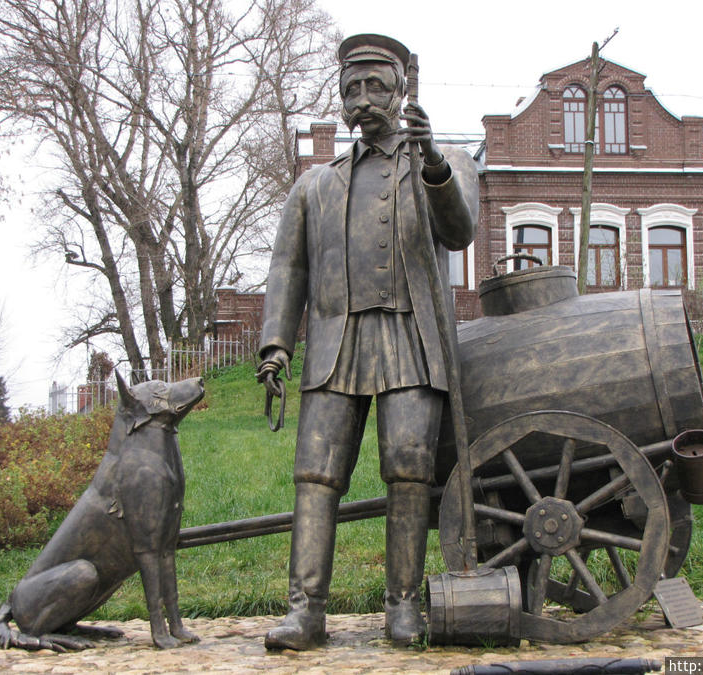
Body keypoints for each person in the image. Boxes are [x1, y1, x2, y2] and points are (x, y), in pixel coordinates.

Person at [257, 33, 478, 650]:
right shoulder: (314, 185)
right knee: (315, 475)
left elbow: (460, 231)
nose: (362, 98)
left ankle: (402, 607)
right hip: (335, 341)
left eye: (375, 84)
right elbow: (287, 269)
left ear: (401, 88)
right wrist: (275, 343)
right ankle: (306, 611)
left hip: (411, 337)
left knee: (408, 472)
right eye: (351, 87)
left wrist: (431, 160)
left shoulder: (447, 161)